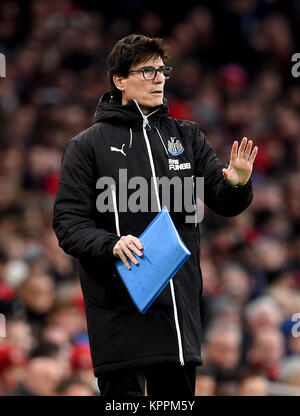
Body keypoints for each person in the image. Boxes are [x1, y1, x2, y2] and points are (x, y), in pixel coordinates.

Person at [53, 34, 258, 396]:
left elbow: (224, 201)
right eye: (147, 71)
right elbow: (68, 224)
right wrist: (112, 244)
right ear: (119, 80)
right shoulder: (86, 146)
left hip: (178, 313)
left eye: (163, 70)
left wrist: (238, 184)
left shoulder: (188, 136)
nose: (160, 78)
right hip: (119, 307)